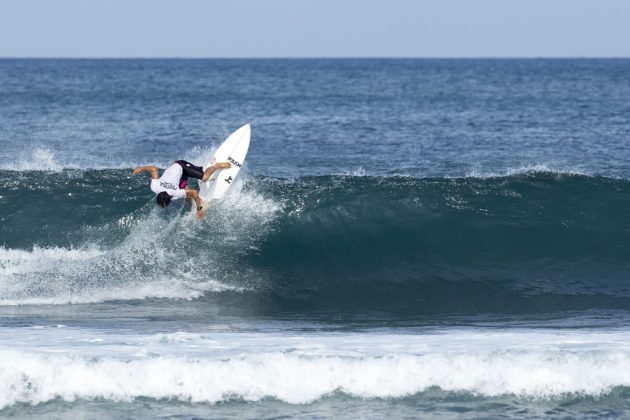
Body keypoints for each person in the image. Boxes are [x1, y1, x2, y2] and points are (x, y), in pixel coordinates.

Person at [132, 160, 231, 219]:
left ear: (170, 198)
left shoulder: (175, 193)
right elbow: (153, 169)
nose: (162, 207)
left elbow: (194, 192)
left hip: (181, 166)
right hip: (176, 173)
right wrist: (140, 169)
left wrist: (199, 209)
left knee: (205, 177)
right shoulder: (155, 187)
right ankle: (190, 202)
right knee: (186, 195)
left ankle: (216, 166)